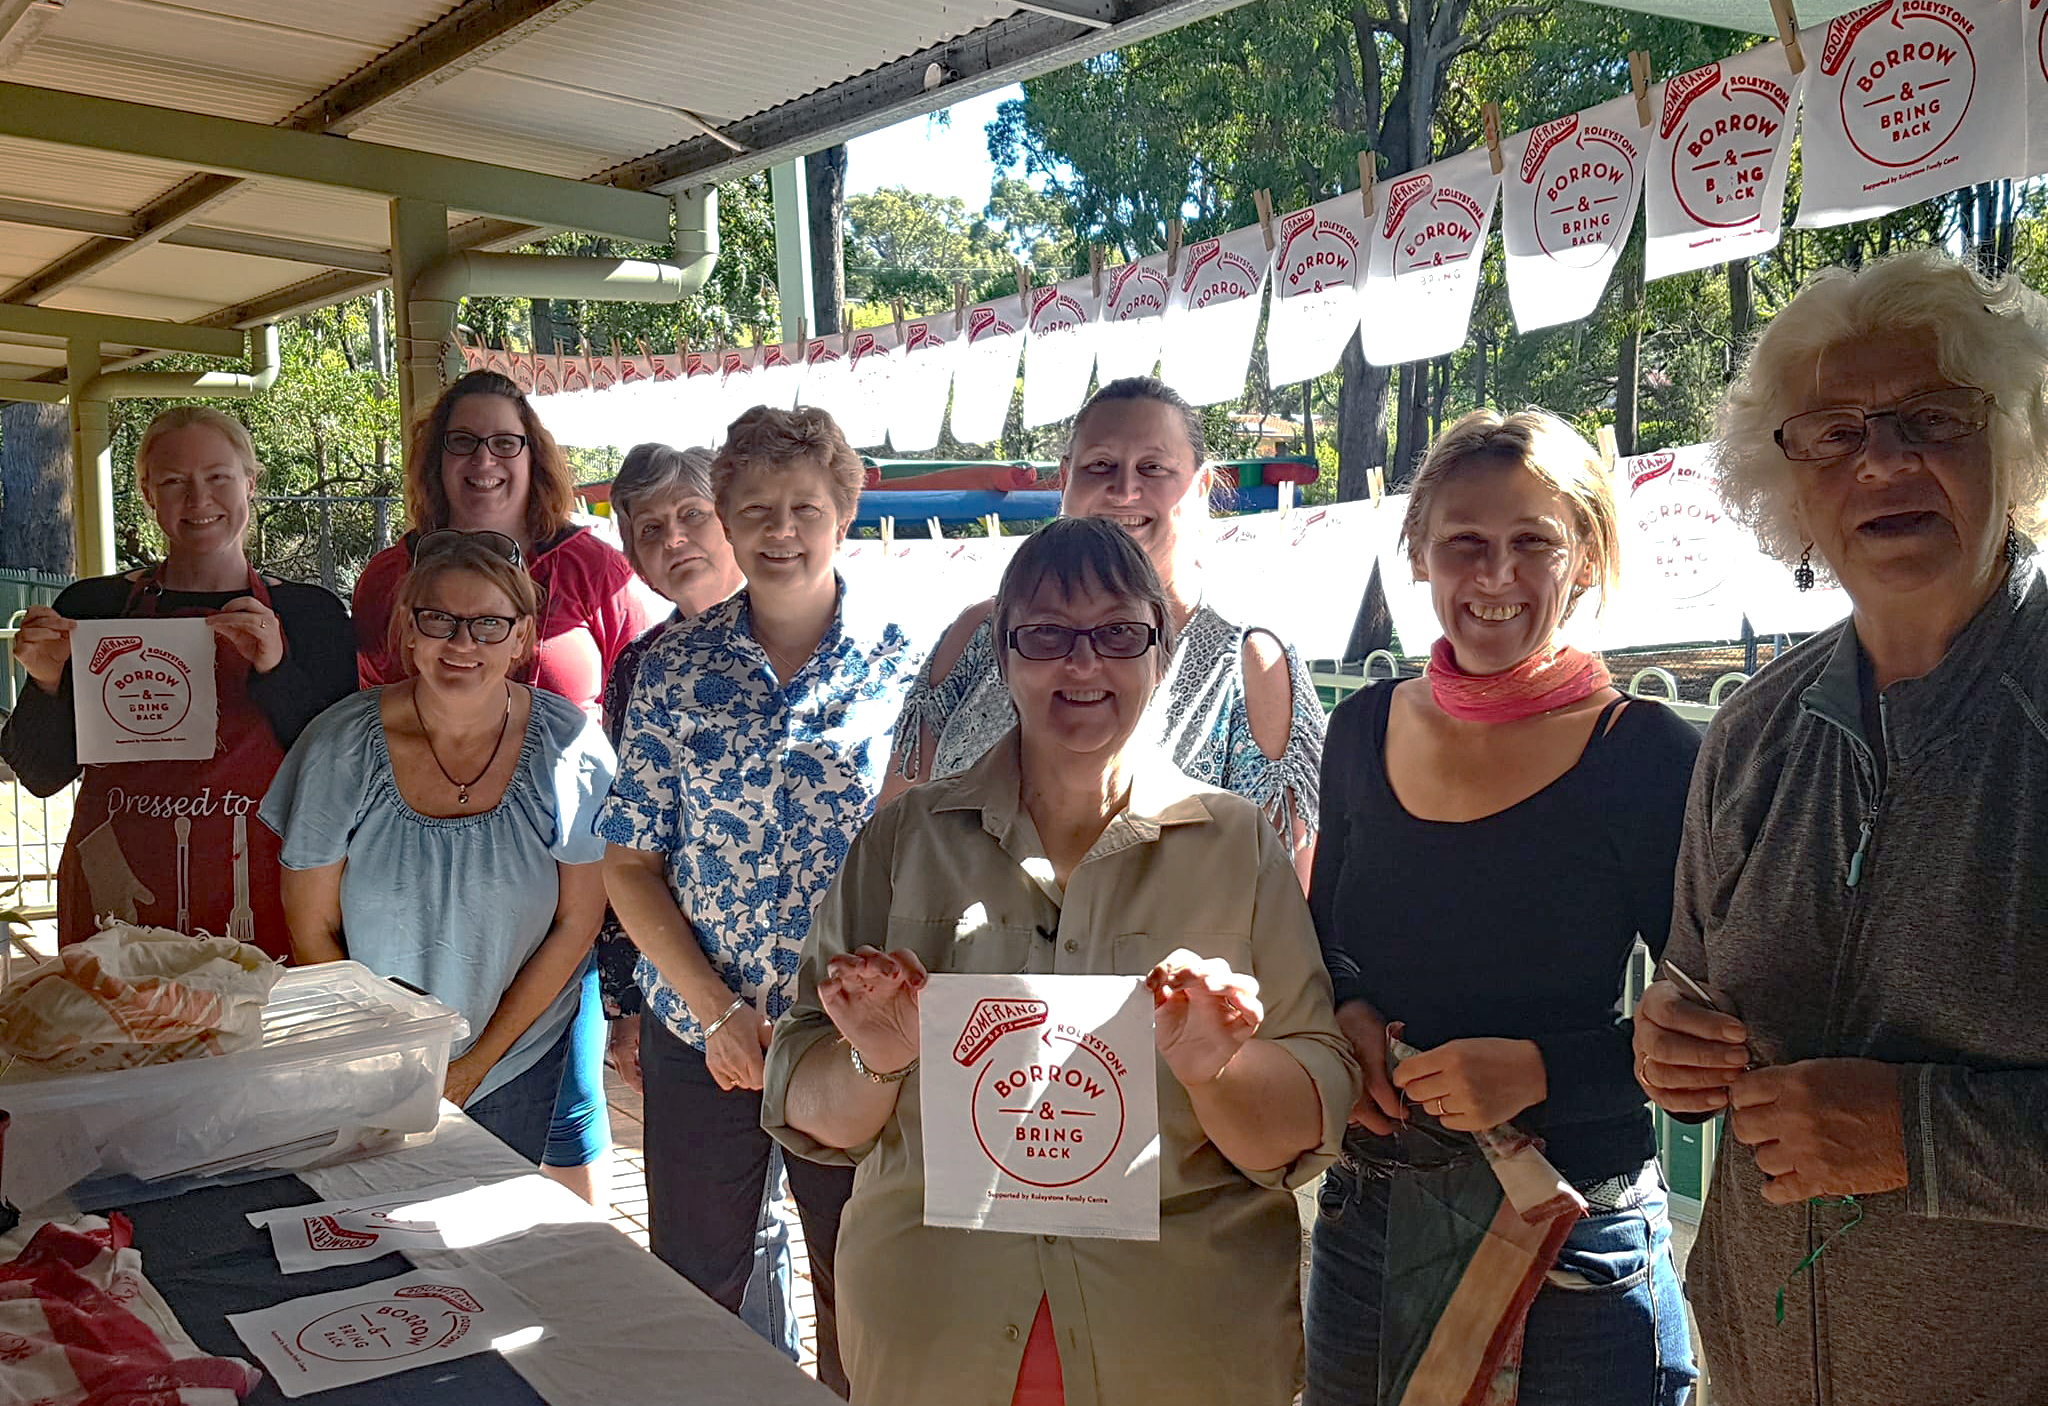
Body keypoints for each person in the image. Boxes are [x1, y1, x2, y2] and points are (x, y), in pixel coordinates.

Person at [762, 516, 1355, 1406]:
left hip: (1180, 1343)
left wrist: (1218, 1068)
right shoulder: (902, 841)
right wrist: (873, 1060)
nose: (1084, 664)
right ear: (1003, 656)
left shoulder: (1240, 847)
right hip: (937, 1336)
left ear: (1161, 651)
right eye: (1046, 635)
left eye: (1120, 633)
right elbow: (806, 1105)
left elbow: (1304, 1128)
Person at [1633, 250, 2048, 1405]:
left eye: (1929, 417)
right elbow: (1690, 990)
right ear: (1790, 488)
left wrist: (1915, 1133)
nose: (1881, 459)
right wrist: (1665, 1043)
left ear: (2006, 442)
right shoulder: (1750, 732)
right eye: (1831, 433)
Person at [1306, 410, 1701, 1405]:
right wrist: (1345, 1015)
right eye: (1465, 545)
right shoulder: (1358, 730)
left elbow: (1715, 1030)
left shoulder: (1642, 753)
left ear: (1584, 556)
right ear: (1420, 555)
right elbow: (1326, 941)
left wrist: (1537, 1069)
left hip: (1572, 1237)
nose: (1493, 578)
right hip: (1370, 1220)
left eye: (1531, 543)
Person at [600, 405, 921, 1396]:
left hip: (854, 1042)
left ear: (844, 513)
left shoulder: (907, 666)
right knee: (695, 1289)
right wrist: (715, 1014)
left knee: (858, 1291)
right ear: (725, 523)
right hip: (706, 1038)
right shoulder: (670, 670)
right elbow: (629, 862)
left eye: (803, 508)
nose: (781, 531)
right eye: (755, 511)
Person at [354, 368, 652, 1205]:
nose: (483, 461)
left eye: (504, 442)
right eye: (462, 442)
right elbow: (368, 718)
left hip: (568, 880)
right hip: (420, 888)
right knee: (416, 1102)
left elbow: (641, 710)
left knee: (568, 1105)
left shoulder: (592, 567)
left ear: (534, 457)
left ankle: (571, 1307)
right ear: (435, 460)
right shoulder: (386, 578)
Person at [883, 375, 1327, 883]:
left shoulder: (1250, 666)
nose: (1124, 490)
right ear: (1065, 481)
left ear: (1200, 487)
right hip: (943, 958)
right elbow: (893, 839)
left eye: (1153, 468)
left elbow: (1283, 896)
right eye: (1100, 466)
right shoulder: (977, 632)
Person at [260, 533, 614, 1163]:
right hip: (370, 1058)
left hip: (517, 1057)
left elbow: (577, 921)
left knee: (495, 1242)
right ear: (408, 630)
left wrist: (476, 1064)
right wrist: (387, 1055)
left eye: (488, 623)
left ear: (521, 635)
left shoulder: (570, 747)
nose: (462, 642)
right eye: (440, 619)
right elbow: (311, 927)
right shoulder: (340, 746)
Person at [2, 406, 354, 959]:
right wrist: (47, 683)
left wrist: (276, 670)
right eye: (174, 482)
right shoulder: (95, 607)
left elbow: (341, 777)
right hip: (114, 901)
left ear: (250, 482)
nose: (199, 501)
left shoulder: (311, 615)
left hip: (262, 889)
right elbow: (43, 775)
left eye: (218, 478)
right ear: (147, 492)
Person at [593, 440, 800, 1359]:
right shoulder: (645, 669)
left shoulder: (870, 645)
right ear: (634, 555)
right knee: (712, 1250)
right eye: (650, 530)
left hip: (840, 1015)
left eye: (691, 515)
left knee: (846, 1243)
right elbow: (634, 847)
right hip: (697, 1007)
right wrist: (635, 1001)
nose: (675, 539)